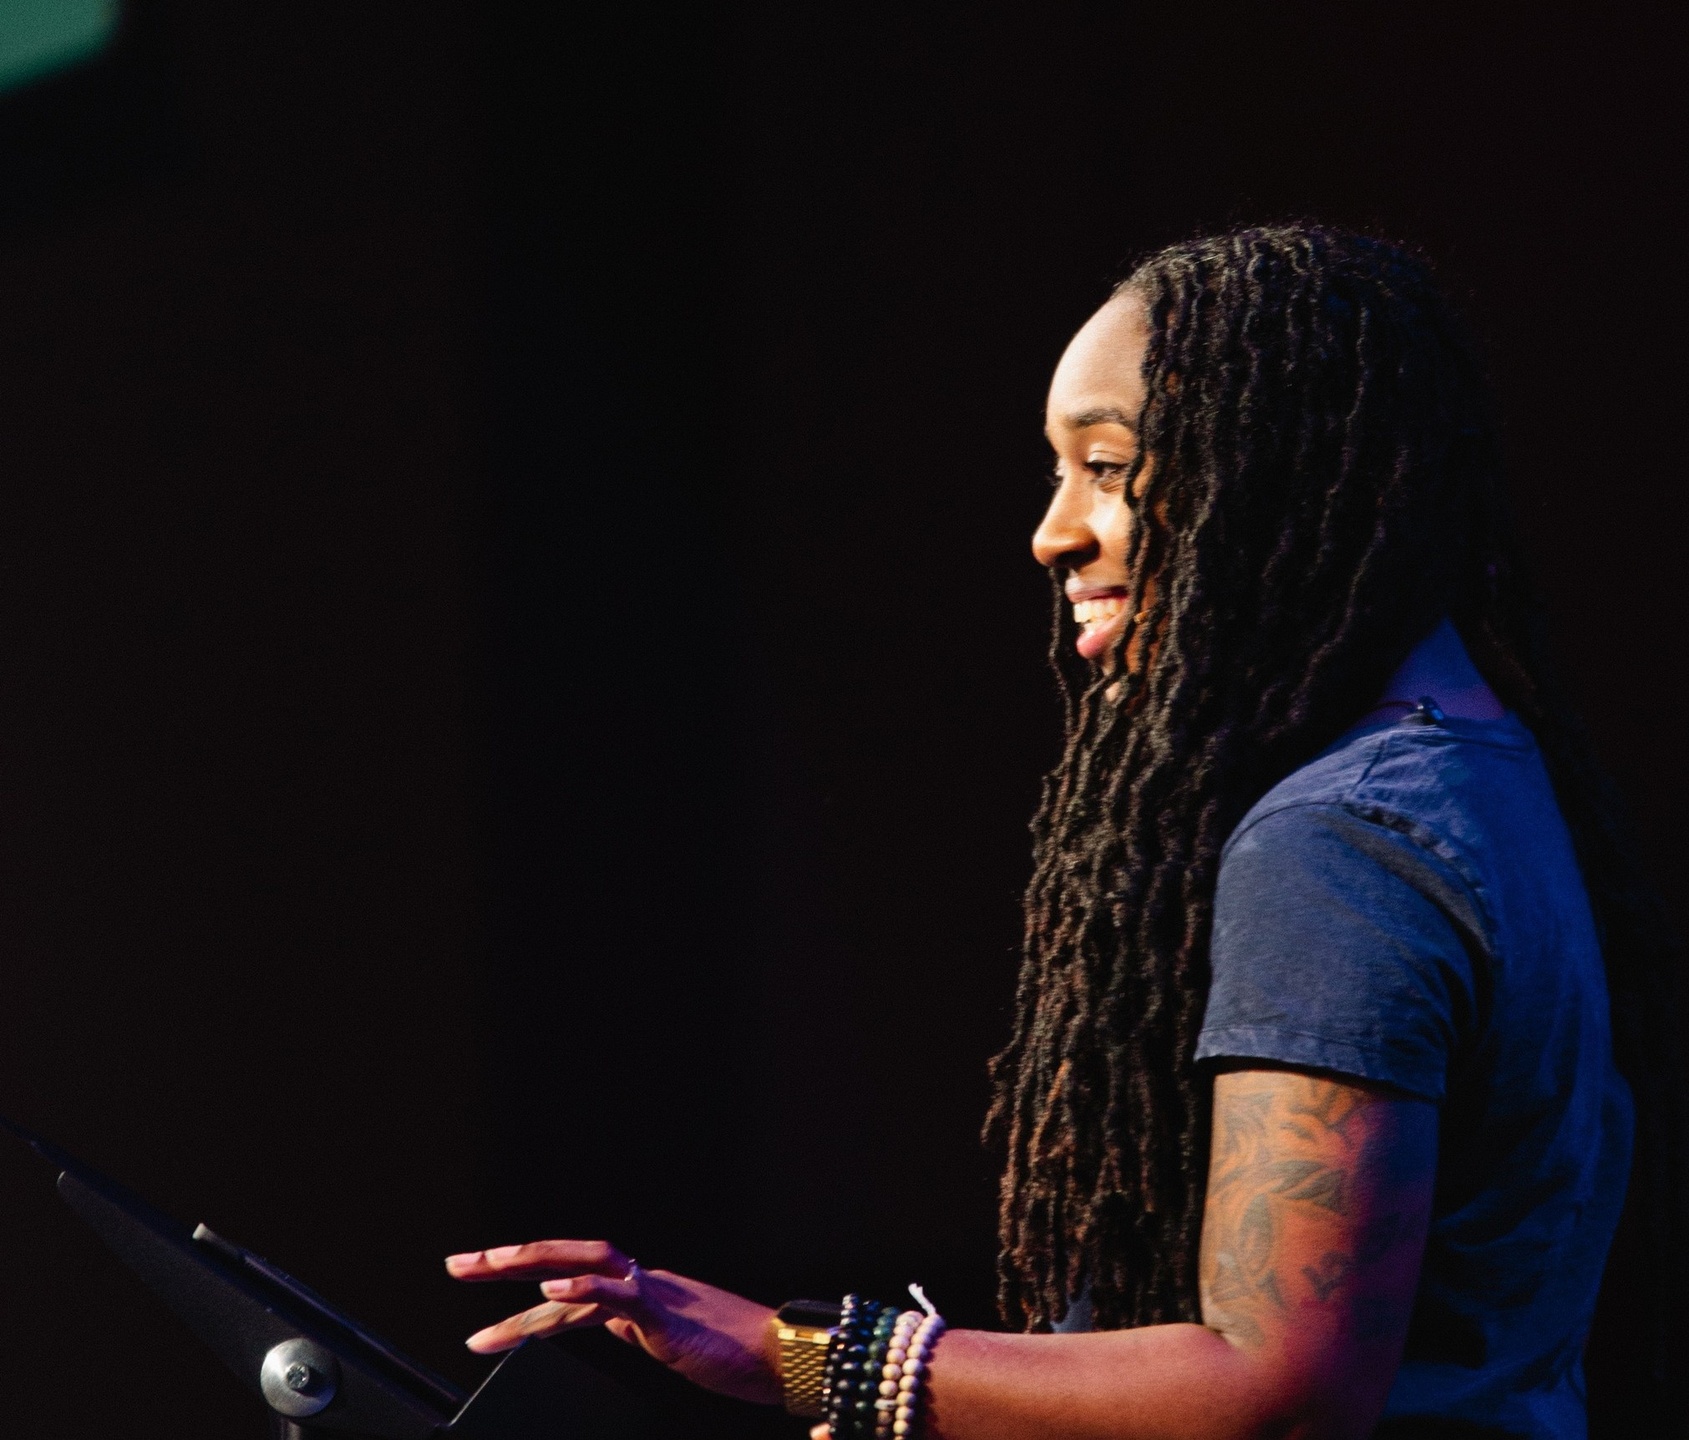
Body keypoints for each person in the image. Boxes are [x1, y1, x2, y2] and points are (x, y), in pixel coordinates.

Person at [442, 226, 1681, 1438]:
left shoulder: (1337, 846)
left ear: (1291, 468)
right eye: (1058, 471)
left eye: (1109, 465)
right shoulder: (1487, 778)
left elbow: (1278, 1392)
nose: (1055, 533)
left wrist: (802, 1358)